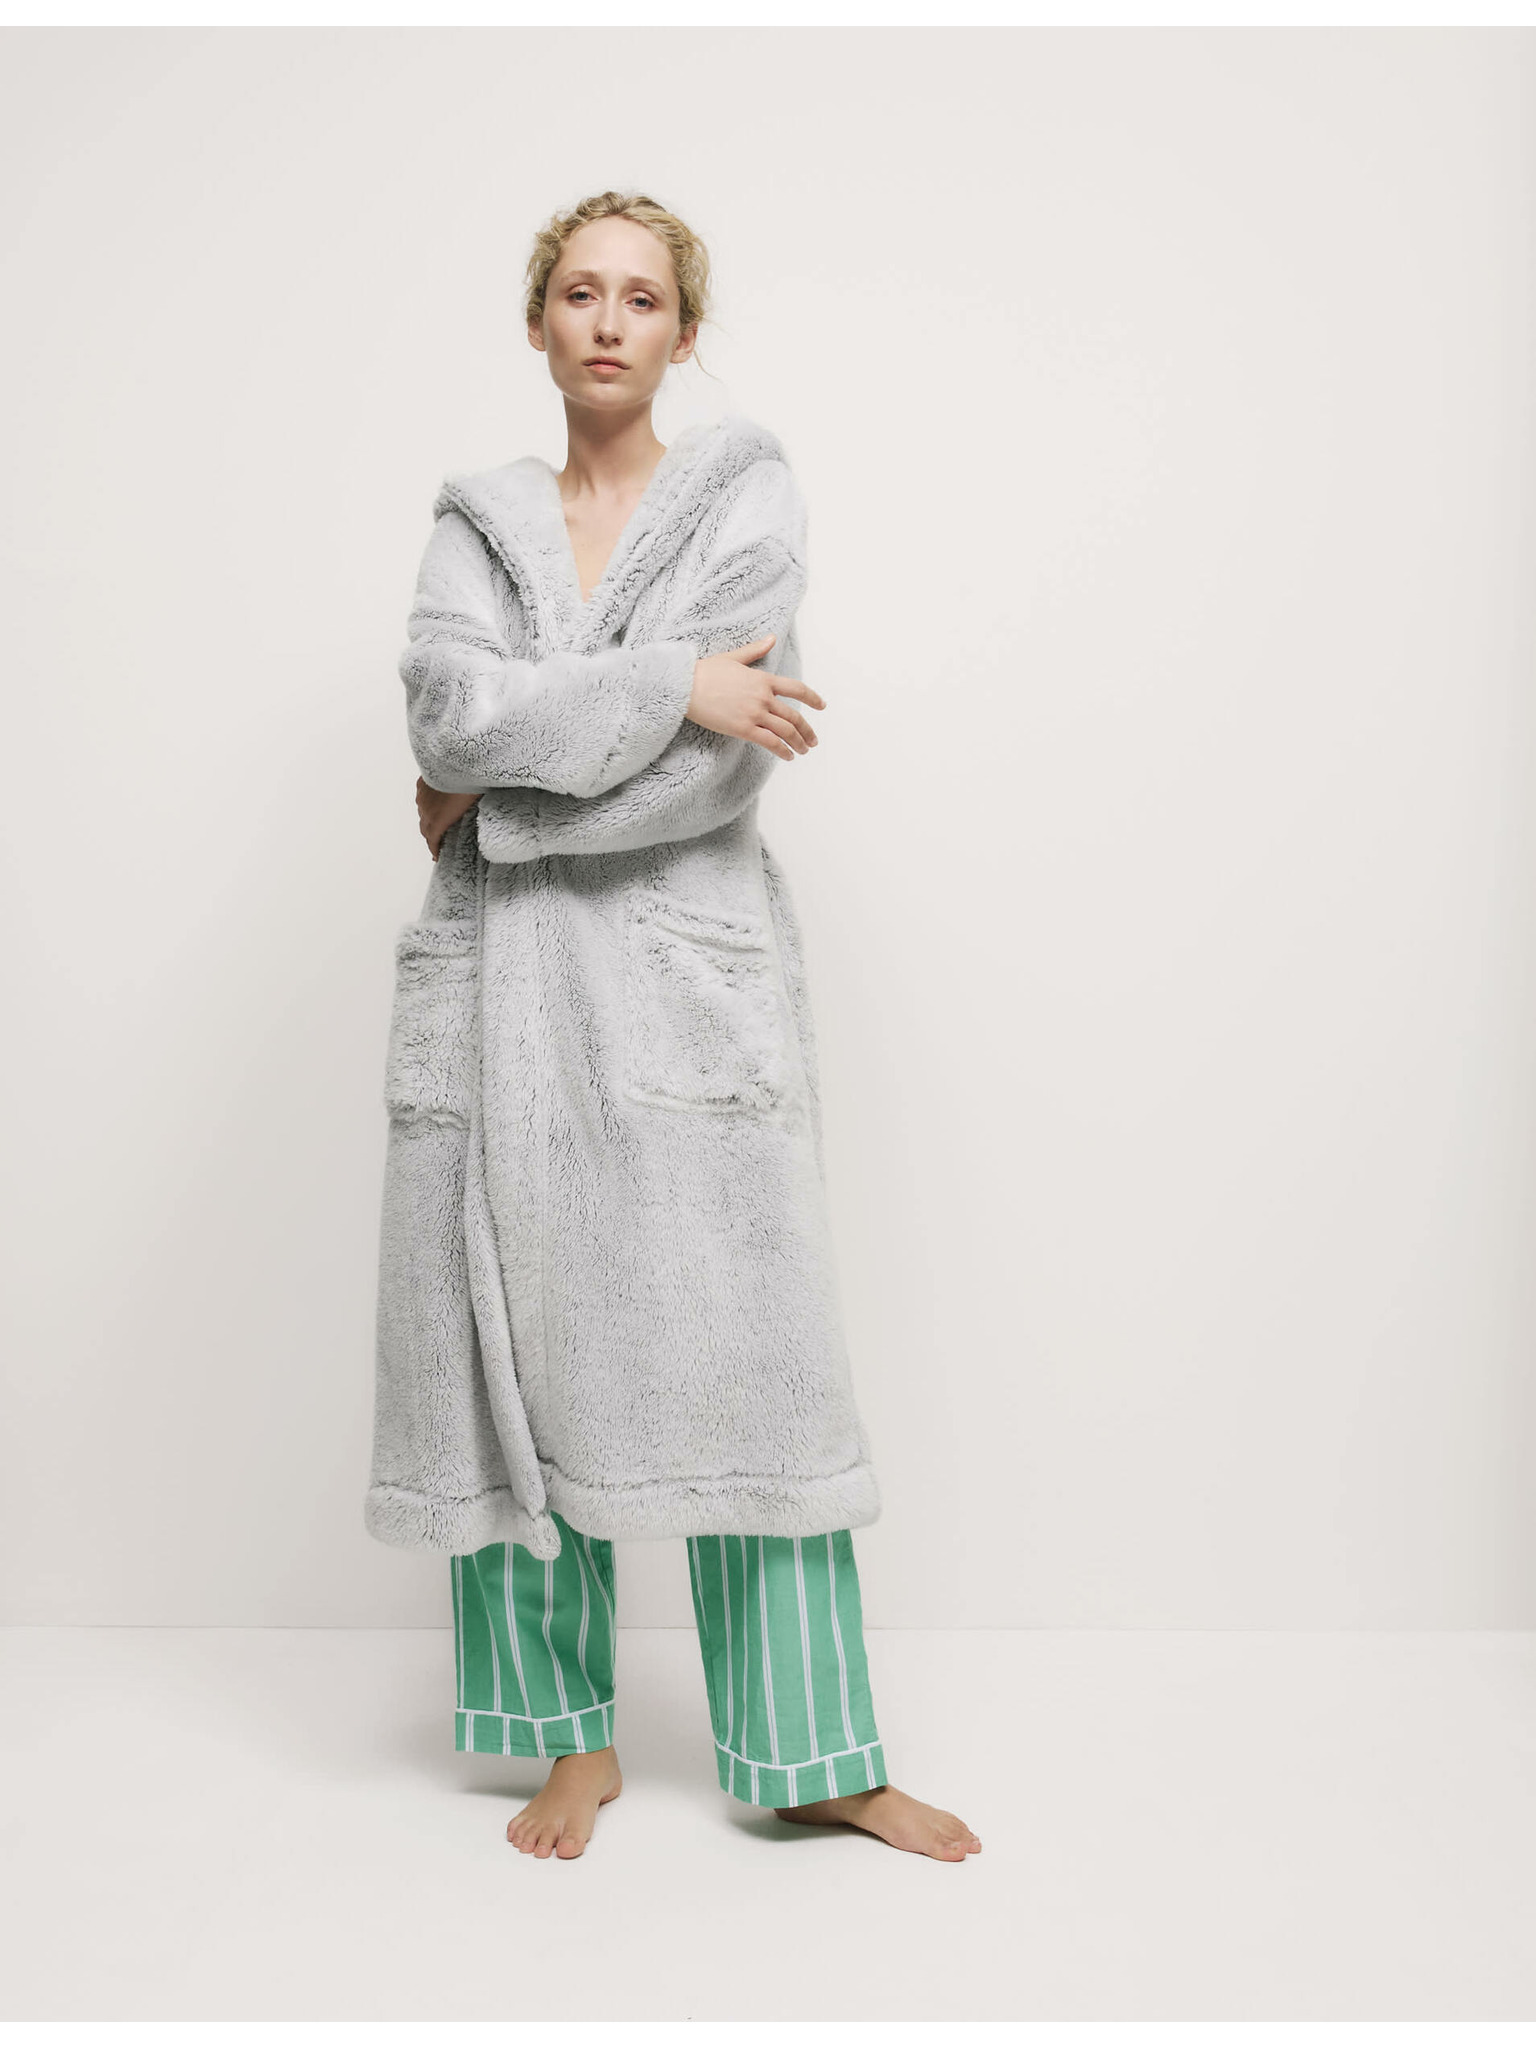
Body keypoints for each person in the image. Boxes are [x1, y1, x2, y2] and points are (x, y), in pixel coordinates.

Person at [370, 189, 981, 1866]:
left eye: (643, 297)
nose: (609, 321)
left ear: (684, 333)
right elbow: (447, 709)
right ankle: (567, 1744)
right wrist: (664, 683)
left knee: (749, 1365)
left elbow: (720, 766)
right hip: (499, 992)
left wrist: (501, 805)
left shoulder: (743, 497)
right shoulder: (477, 523)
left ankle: (814, 1754)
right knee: (506, 1346)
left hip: (680, 986)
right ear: (540, 322)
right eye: (581, 292)